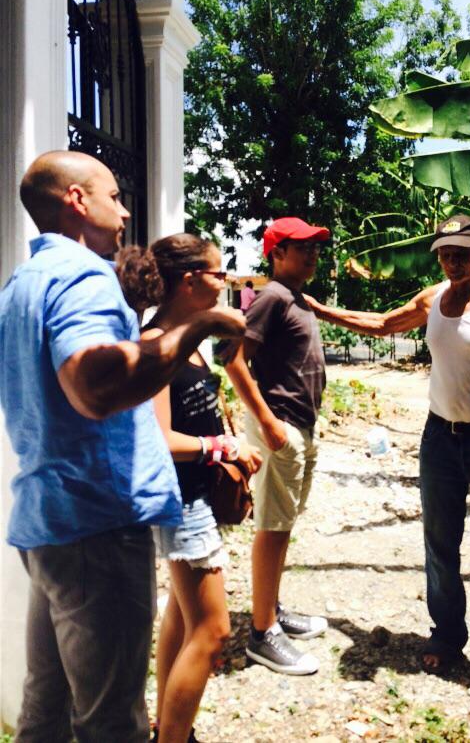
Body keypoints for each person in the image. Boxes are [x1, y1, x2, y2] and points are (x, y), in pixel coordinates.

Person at [0, 151, 245, 743]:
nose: (125, 210)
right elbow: (95, 385)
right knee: (111, 723)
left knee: (45, 715)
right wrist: (199, 326)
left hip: (49, 523)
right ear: (77, 201)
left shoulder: (21, 284)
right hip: (98, 526)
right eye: (113, 196)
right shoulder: (82, 275)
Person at [305, 214, 470, 675]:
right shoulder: (433, 299)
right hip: (440, 438)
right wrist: (321, 311)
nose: (452, 262)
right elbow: (383, 324)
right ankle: (447, 633)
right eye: (444, 254)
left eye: (461, 253)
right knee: (440, 541)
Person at [117, 235, 262, 743]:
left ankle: (168, 727)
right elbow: (159, 439)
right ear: (189, 280)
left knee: (181, 618)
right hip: (181, 502)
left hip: (194, 495)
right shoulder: (158, 345)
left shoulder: (188, 340)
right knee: (214, 630)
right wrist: (221, 448)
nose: (225, 283)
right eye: (218, 274)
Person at [223, 217, 331, 675]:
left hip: (299, 425)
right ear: (277, 253)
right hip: (281, 426)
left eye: (315, 247)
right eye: (302, 247)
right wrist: (268, 423)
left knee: (283, 523)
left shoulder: (295, 297)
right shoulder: (272, 297)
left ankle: (271, 608)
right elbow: (232, 359)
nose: (312, 254)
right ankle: (262, 633)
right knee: (272, 525)